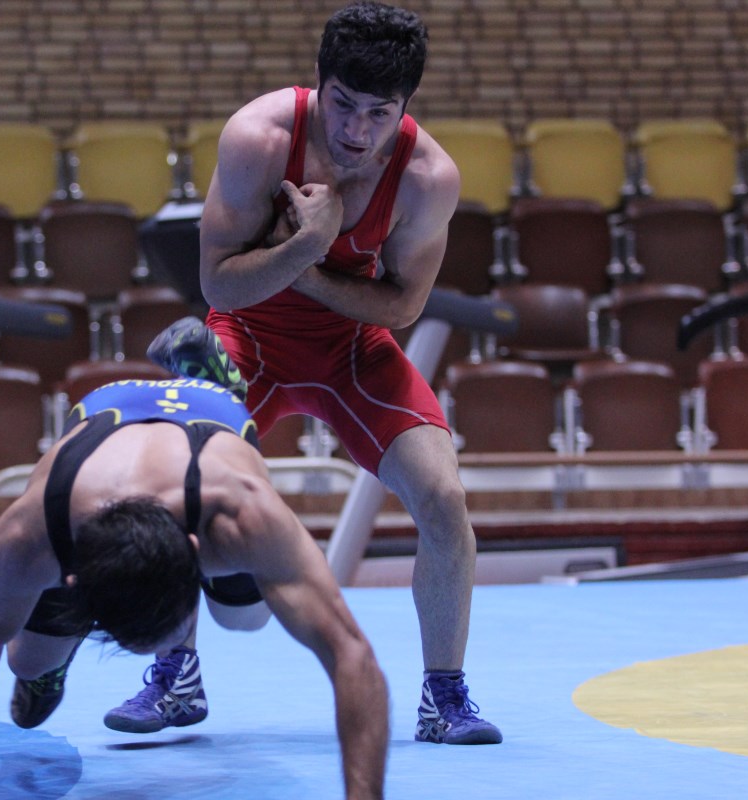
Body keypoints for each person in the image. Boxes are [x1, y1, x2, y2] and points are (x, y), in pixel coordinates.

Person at [105, 1, 503, 746]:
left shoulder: (427, 178)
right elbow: (220, 286)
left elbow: (402, 307)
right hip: (246, 340)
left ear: (406, 107)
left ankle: (444, 698)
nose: (356, 130)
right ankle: (175, 676)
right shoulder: (259, 138)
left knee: (445, 498)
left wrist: (308, 258)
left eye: (379, 113)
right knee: (172, 488)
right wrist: (307, 247)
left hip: (354, 351)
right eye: (342, 105)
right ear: (319, 83)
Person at [0, 320, 390, 800]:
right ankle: (53, 666)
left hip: (211, 420)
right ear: (72, 580)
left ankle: (216, 386)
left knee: (243, 619)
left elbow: (350, 652)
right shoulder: (32, 530)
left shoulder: (243, 511)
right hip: (108, 420)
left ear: (196, 554)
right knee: (29, 664)